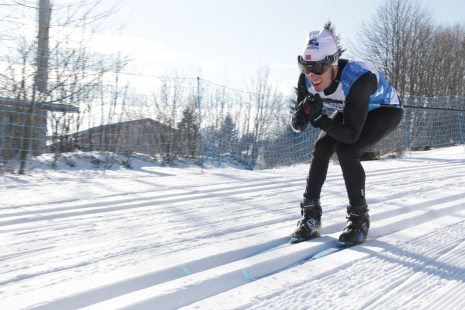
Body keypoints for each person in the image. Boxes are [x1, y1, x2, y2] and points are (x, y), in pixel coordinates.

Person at [289, 29, 403, 247]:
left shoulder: (358, 79)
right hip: (349, 106)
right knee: (322, 147)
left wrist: (321, 118)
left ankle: (359, 219)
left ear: (333, 64)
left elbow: (351, 136)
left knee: (348, 152)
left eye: (319, 68)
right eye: (305, 67)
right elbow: (297, 127)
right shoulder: (307, 80)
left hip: (383, 109)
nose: (312, 75)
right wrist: (303, 113)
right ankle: (311, 215)